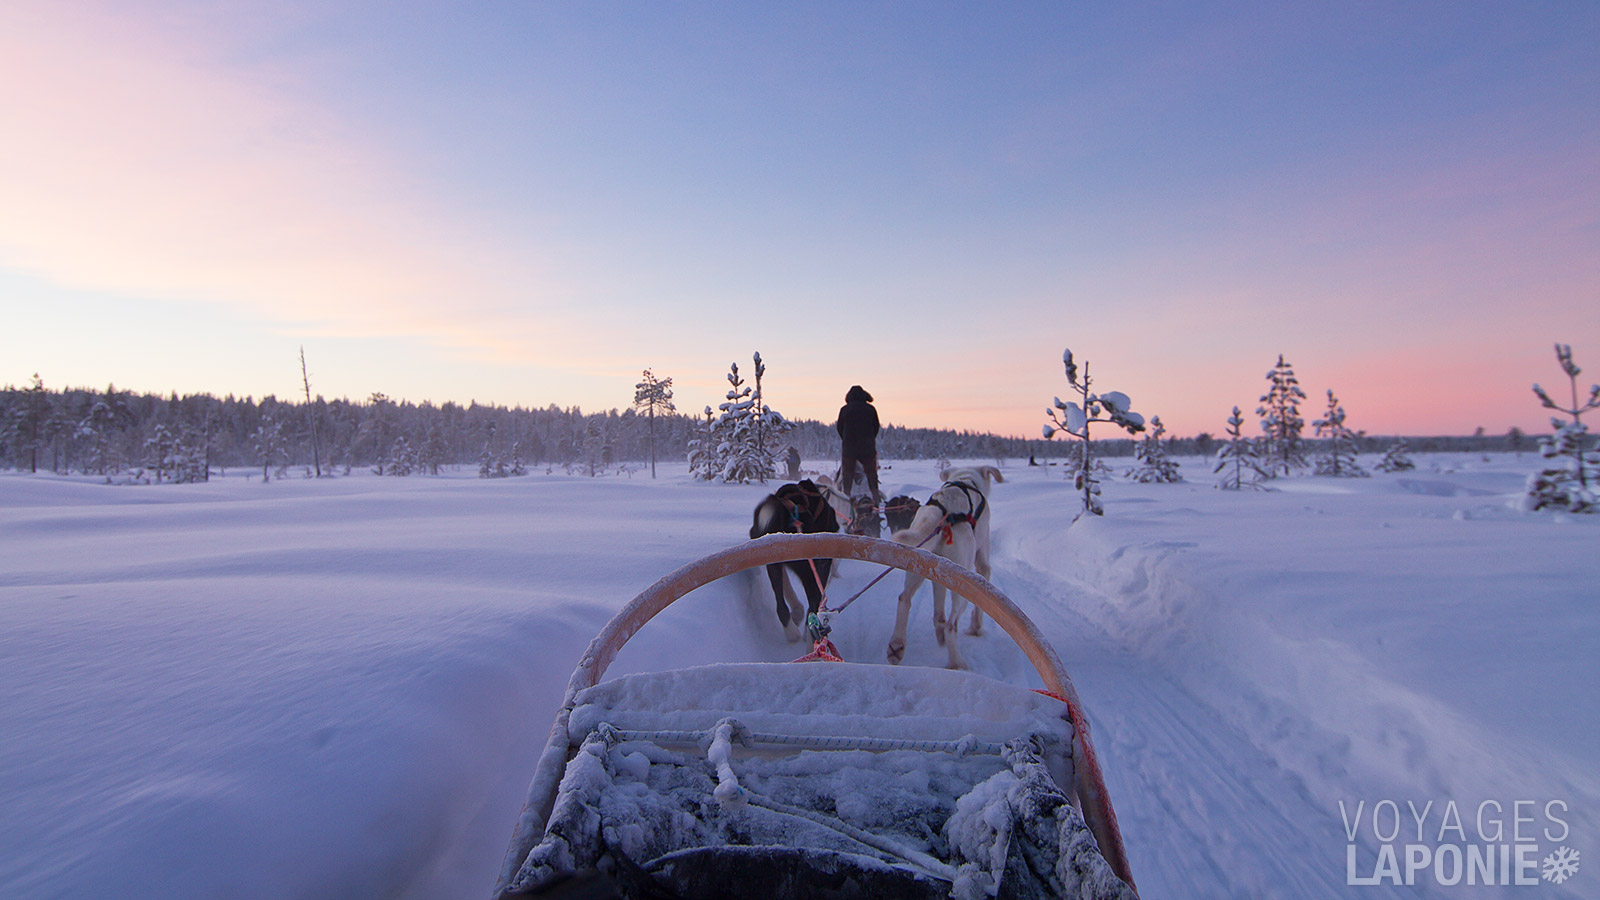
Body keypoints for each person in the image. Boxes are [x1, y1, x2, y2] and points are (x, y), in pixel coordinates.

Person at [836, 385, 880, 501]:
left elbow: (839, 428)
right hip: (867, 447)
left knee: (847, 475)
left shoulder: (845, 409)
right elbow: (876, 427)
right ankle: (876, 496)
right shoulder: (870, 409)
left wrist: (846, 440)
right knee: (871, 474)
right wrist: (870, 439)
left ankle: (846, 497)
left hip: (849, 448)